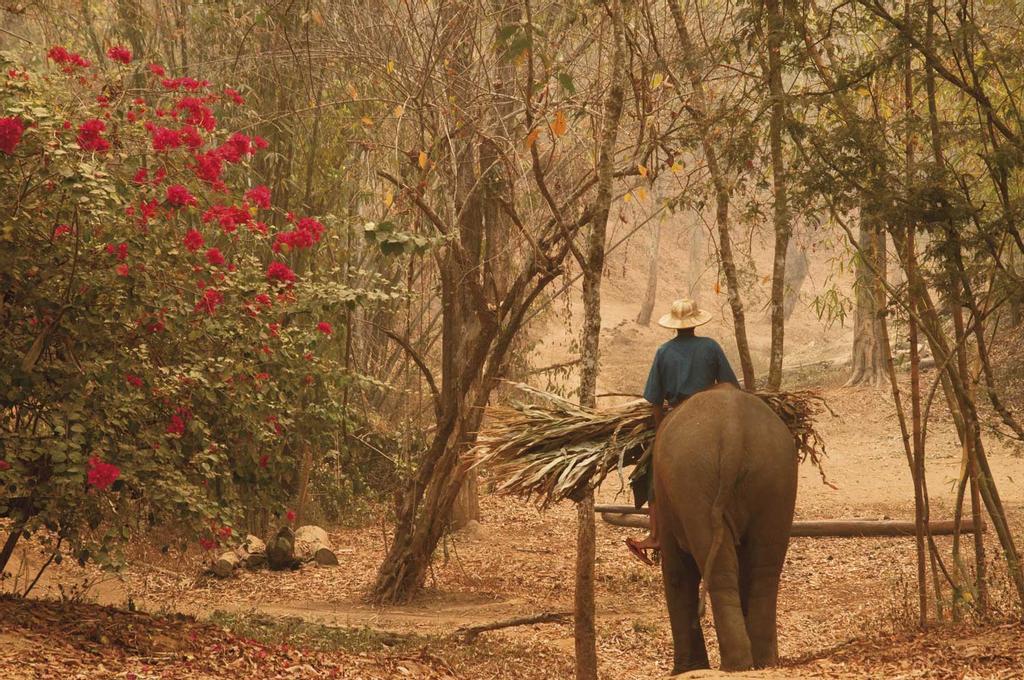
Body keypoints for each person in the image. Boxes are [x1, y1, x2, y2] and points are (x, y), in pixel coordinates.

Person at [625, 298, 740, 566]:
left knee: (652, 473)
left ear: (674, 326)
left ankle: (656, 534)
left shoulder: (664, 352)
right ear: (696, 322)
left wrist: (661, 430)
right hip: (712, 413)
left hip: (676, 416)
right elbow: (730, 386)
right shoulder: (710, 347)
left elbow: (654, 399)